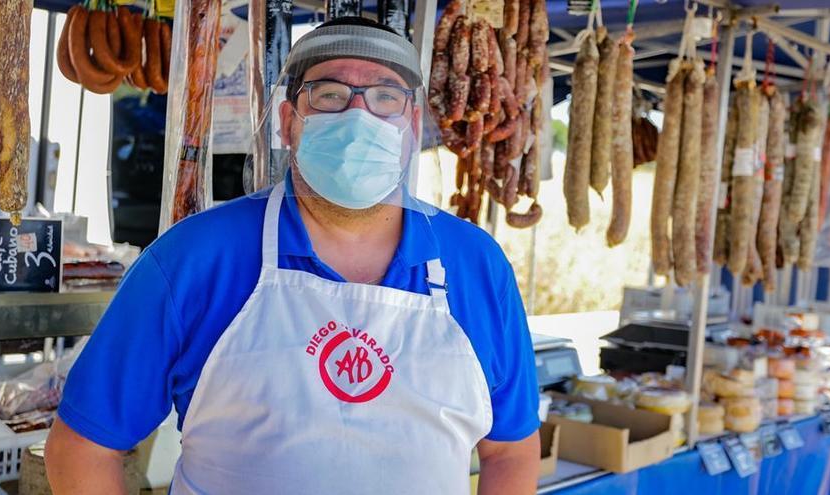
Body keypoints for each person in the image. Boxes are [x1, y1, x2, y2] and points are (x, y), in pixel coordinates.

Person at [45, 16, 540, 495]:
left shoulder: (477, 266)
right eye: (330, 95)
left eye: (385, 97)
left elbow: (511, 452)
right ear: (288, 121)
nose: (357, 116)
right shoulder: (193, 258)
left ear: (411, 123)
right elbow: (84, 447)